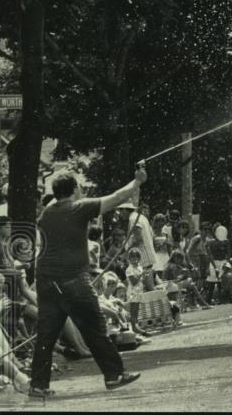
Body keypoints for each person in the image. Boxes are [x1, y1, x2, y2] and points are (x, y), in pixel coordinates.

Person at [28, 166, 147, 398]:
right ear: (73, 190)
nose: (81, 190)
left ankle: (38, 385)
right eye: (79, 187)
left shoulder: (47, 213)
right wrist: (137, 182)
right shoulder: (78, 208)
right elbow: (115, 199)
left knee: (46, 336)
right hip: (73, 280)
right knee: (95, 328)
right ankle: (114, 375)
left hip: (46, 281)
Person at [117, 201, 158, 292]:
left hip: (142, 258)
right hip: (146, 256)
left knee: (149, 288)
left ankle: (165, 305)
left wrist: (125, 253)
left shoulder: (133, 219)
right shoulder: (141, 217)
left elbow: (138, 238)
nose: (120, 213)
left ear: (124, 210)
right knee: (145, 288)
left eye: (120, 210)